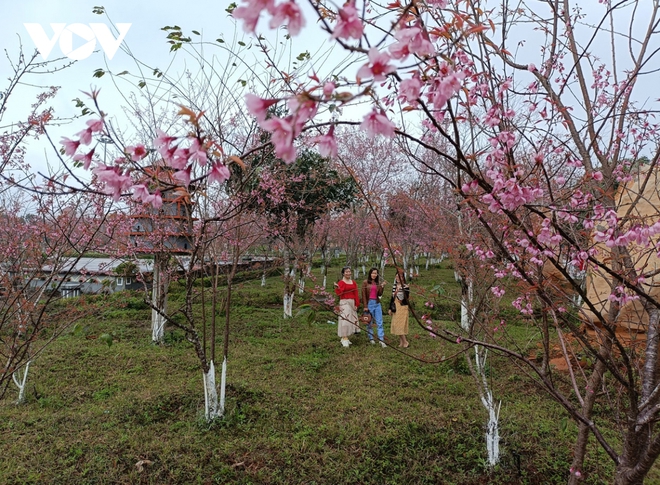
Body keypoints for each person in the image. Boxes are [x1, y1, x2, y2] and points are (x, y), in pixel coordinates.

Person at [334, 267, 360, 347]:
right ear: (343, 273)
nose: (348, 273)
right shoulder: (341, 282)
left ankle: (345, 337)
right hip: (344, 302)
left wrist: (356, 304)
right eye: (346, 272)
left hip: (352, 302)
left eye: (349, 271)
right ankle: (344, 337)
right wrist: (337, 287)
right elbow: (339, 293)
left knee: (351, 319)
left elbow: (356, 293)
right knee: (345, 319)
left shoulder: (353, 282)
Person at [362, 267, 387, 347]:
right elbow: (363, 295)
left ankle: (381, 339)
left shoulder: (378, 283)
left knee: (380, 322)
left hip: (377, 303)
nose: (374, 275)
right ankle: (371, 338)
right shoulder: (365, 282)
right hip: (369, 304)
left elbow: (379, 294)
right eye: (373, 273)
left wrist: (382, 287)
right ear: (370, 274)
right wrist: (365, 306)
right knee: (369, 322)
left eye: (375, 273)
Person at [388, 268, 410, 348]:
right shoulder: (395, 286)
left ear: (403, 277)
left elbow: (406, 298)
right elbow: (392, 297)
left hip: (402, 307)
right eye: (396, 277)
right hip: (395, 306)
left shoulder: (405, 286)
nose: (397, 278)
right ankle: (402, 342)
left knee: (400, 325)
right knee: (396, 324)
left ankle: (405, 342)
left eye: (399, 277)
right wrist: (390, 308)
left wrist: (404, 290)